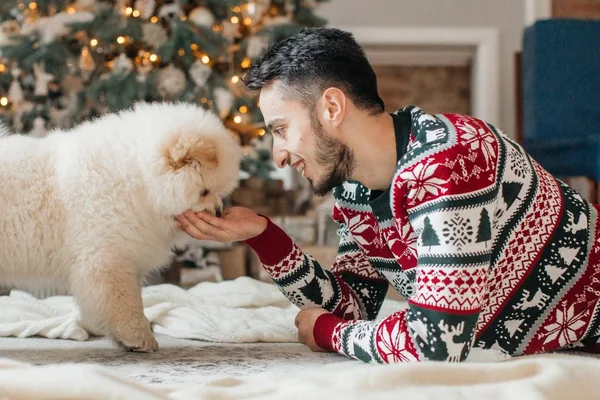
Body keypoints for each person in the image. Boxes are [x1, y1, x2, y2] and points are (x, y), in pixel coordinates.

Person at [176, 27, 600, 363]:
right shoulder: (354, 194)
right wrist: (264, 237)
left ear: (331, 108)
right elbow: (353, 305)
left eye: (281, 130)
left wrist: (327, 335)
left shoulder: (449, 158)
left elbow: (436, 343)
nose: (280, 155)